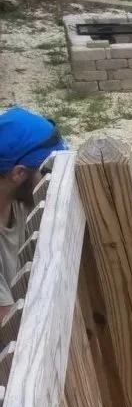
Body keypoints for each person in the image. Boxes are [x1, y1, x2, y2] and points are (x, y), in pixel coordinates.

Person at [0, 107, 66, 319]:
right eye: (47, 172)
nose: (53, 179)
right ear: (18, 173)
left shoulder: (17, 199)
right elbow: (7, 324)